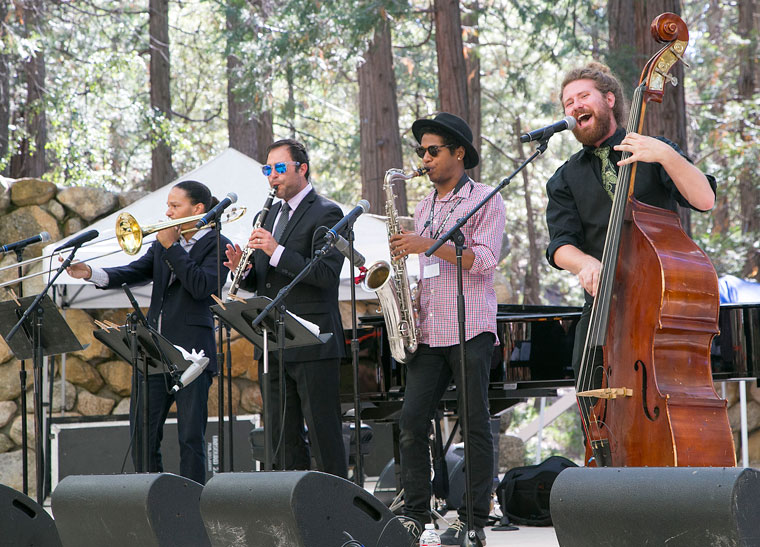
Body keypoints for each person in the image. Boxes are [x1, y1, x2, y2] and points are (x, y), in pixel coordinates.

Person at [545, 61, 717, 380]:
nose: (575, 106)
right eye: (568, 102)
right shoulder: (565, 178)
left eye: (583, 96)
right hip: (602, 314)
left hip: (666, 307)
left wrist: (666, 155)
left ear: (609, 100)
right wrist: (585, 264)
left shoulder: (655, 151)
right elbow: (560, 245)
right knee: (594, 409)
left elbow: (704, 200)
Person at [390, 112, 506, 545]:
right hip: (429, 328)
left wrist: (428, 245)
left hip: (471, 324)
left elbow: (485, 261)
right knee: (411, 420)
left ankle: (472, 520)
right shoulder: (422, 207)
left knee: (475, 422)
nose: (424, 158)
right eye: (421, 151)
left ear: (459, 153)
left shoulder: (486, 198)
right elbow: (427, 268)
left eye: (433, 150)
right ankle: (416, 514)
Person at [66, 180, 231, 485]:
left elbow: (201, 288)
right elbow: (134, 272)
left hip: (194, 355)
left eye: (174, 206)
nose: (167, 212)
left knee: (190, 438)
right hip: (154, 352)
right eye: (167, 205)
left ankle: (193, 502)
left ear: (197, 209)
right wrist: (91, 273)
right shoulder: (163, 243)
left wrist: (172, 248)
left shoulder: (219, 244)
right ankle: (151, 498)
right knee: (142, 433)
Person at [224, 138, 347, 478]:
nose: (272, 177)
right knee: (282, 437)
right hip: (273, 342)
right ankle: (293, 510)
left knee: (324, 435)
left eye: (279, 168)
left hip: (313, 342)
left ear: (301, 168)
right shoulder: (272, 213)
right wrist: (243, 270)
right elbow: (264, 281)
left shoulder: (327, 212)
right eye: (268, 170)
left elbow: (325, 274)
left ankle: (337, 509)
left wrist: (275, 250)